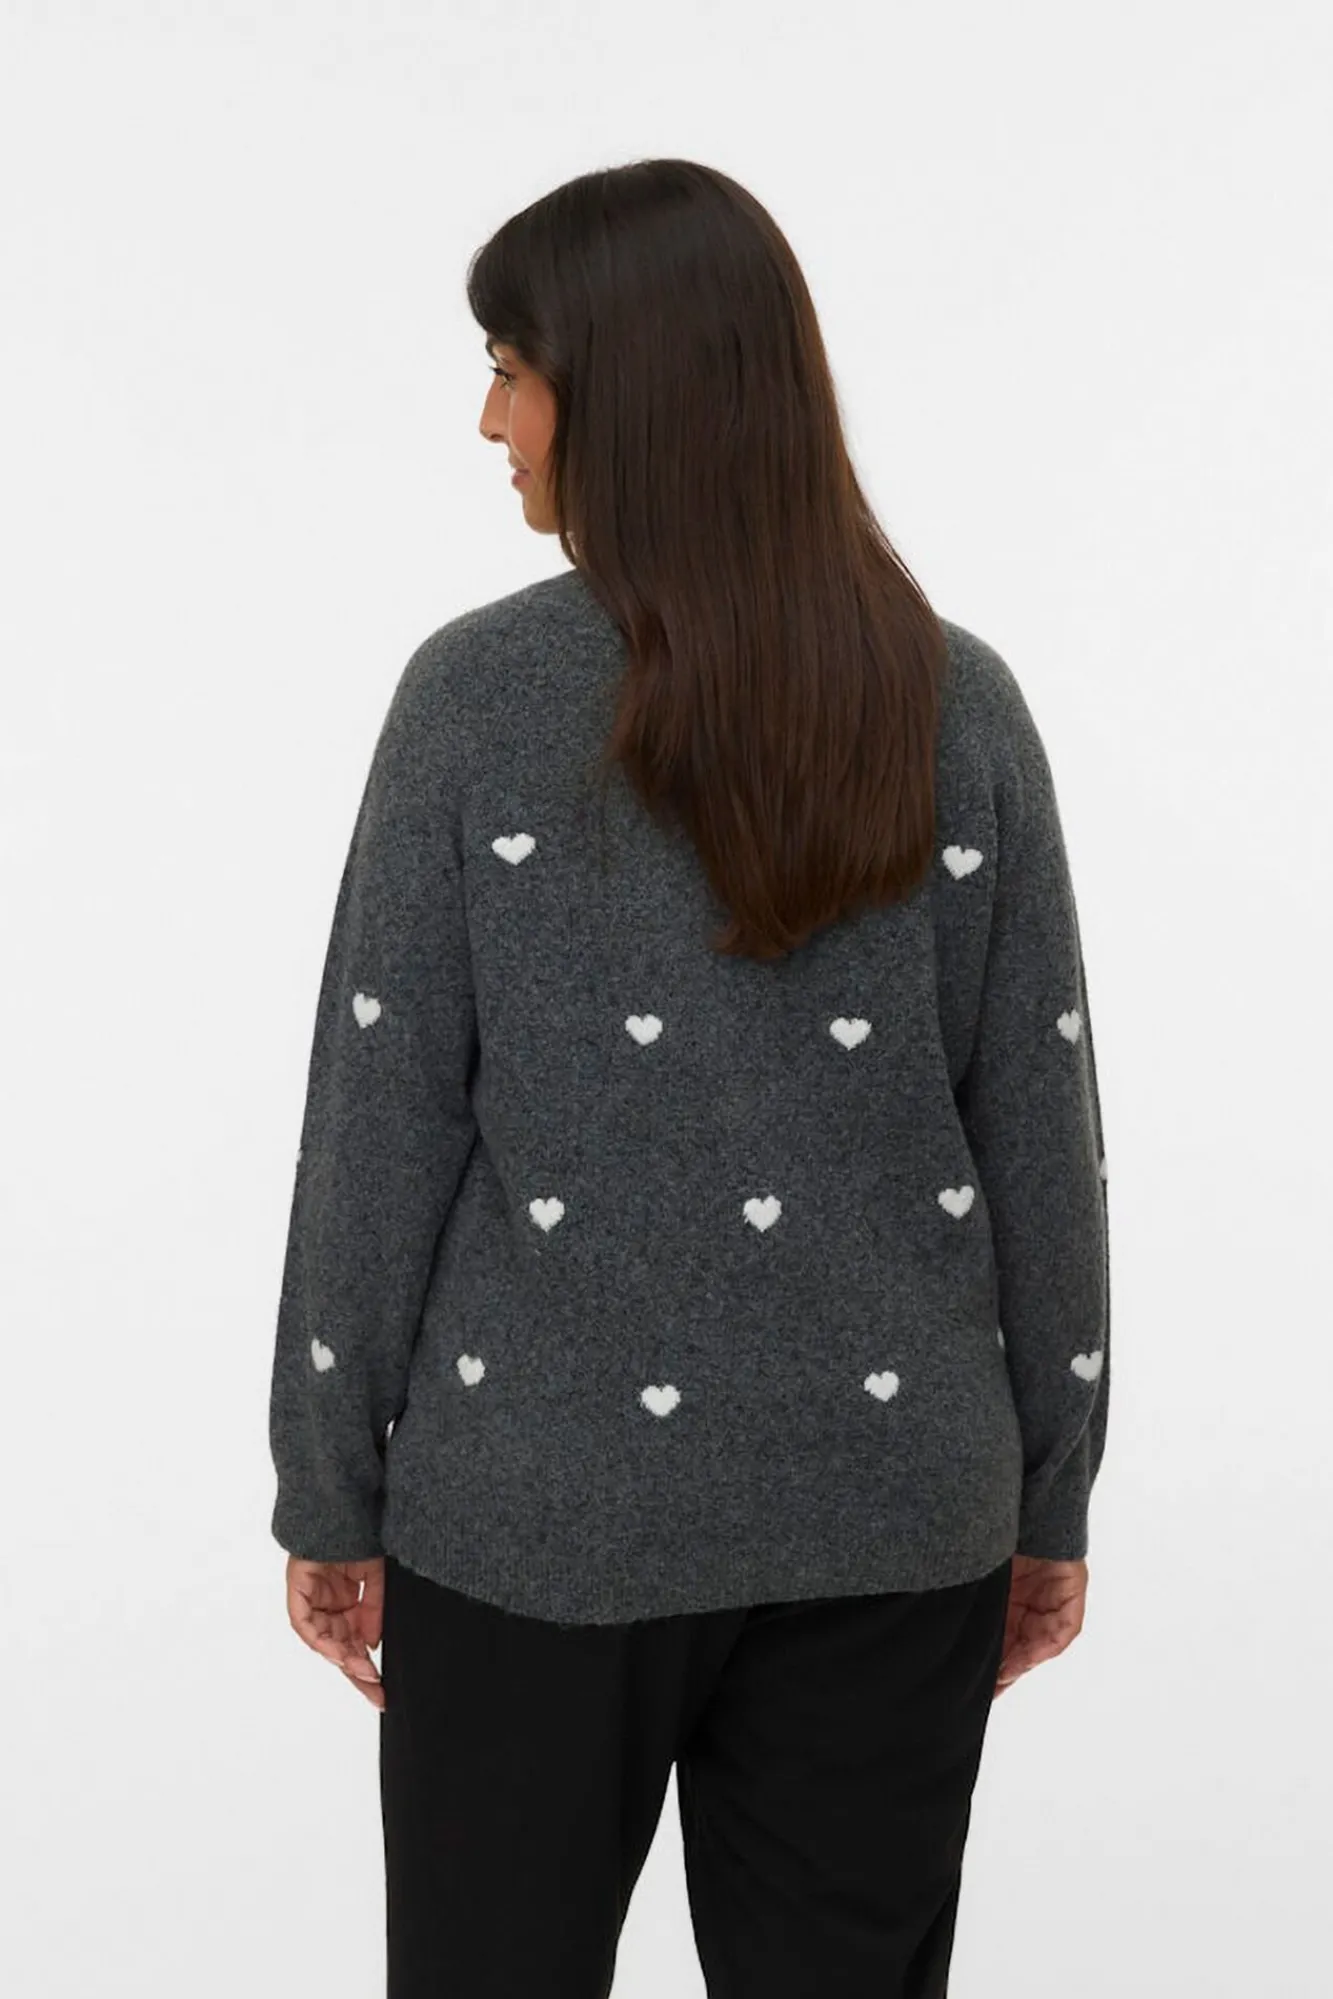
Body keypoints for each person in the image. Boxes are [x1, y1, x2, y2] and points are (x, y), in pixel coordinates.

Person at [269, 158, 1110, 1998]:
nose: (489, 419)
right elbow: (1041, 1136)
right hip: (892, 1510)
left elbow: (380, 1129)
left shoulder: (473, 701)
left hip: (535, 1512)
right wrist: (1050, 1496)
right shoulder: (958, 700)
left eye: (512, 367)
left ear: (627, 392)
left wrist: (329, 1488)